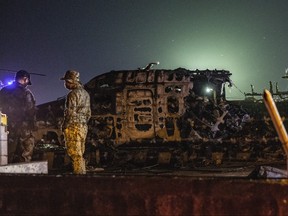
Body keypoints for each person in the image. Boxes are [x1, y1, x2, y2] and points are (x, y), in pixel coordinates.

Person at [0, 70, 36, 163]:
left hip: (6, 126)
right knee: (25, 150)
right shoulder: (26, 93)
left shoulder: (4, 91)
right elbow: (30, 110)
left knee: (6, 149)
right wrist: (33, 124)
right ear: (25, 79)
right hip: (23, 127)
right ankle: (22, 172)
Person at [60, 70, 91, 174]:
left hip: (73, 126)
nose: (65, 84)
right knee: (80, 152)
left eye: (65, 81)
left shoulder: (72, 94)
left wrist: (64, 125)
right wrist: (83, 123)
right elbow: (88, 113)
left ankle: (79, 176)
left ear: (70, 81)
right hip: (83, 126)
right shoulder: (86, 94)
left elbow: (70, 112)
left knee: (74, 153)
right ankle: (81, 173)